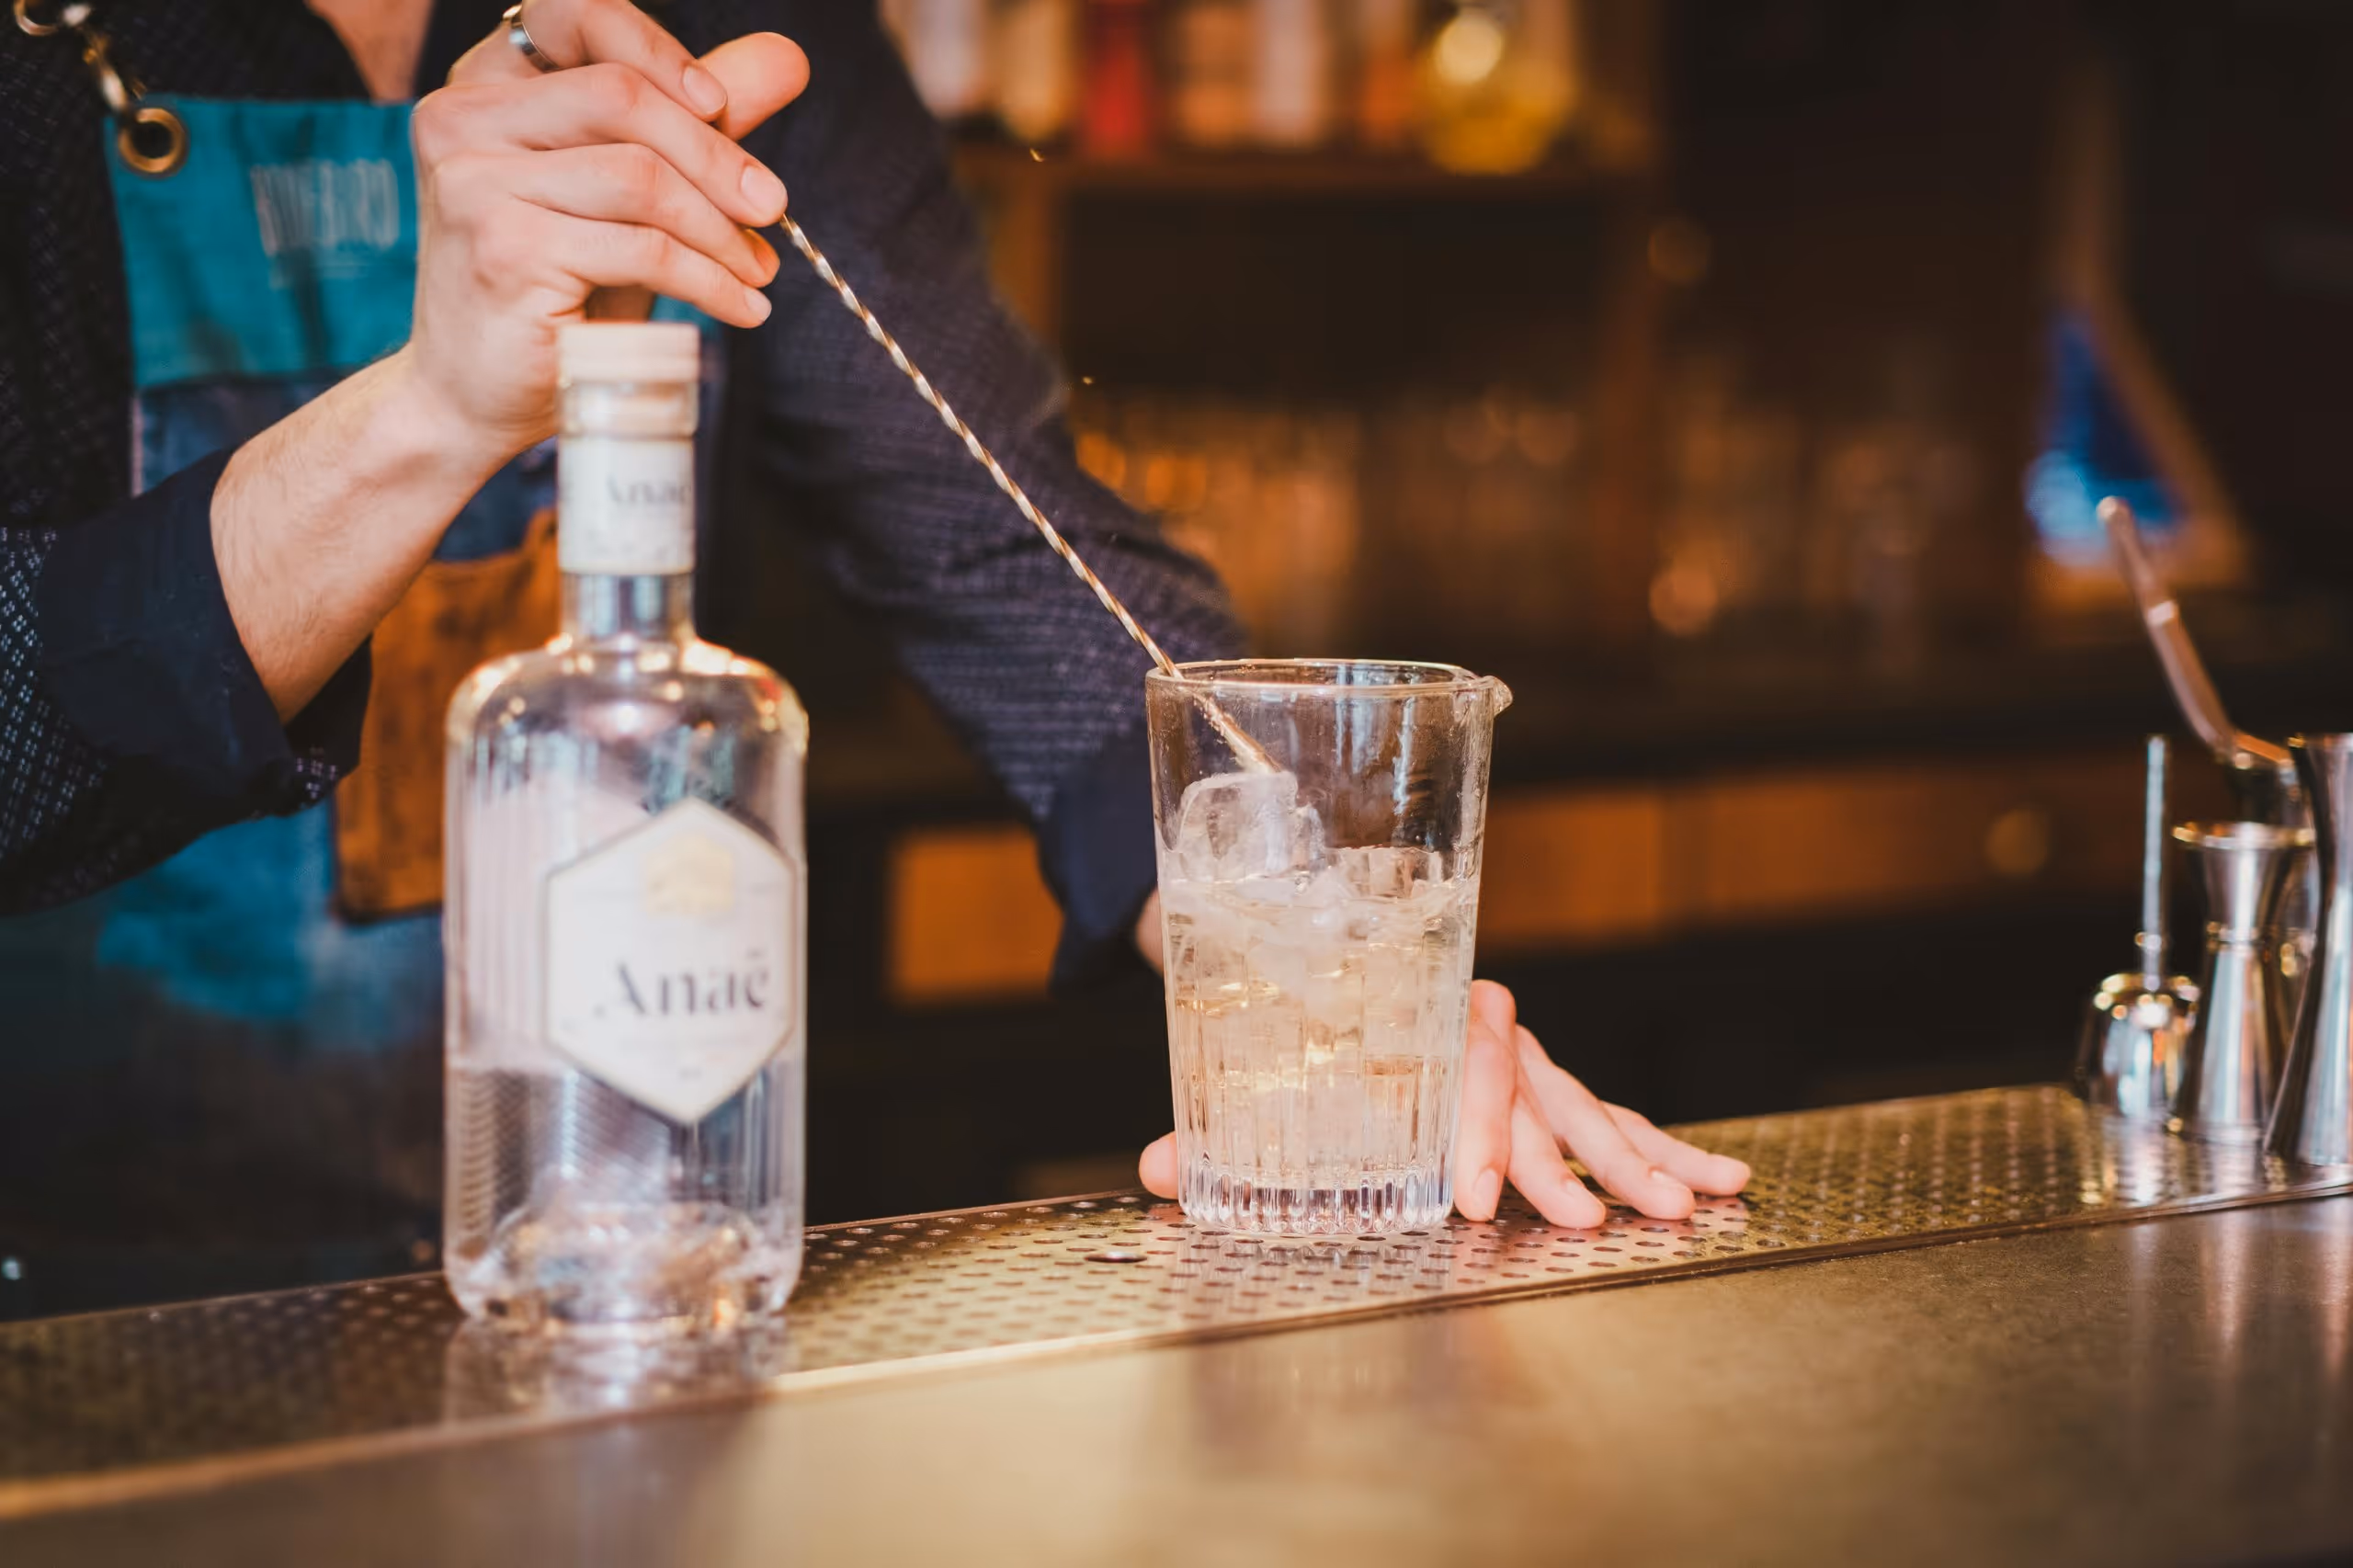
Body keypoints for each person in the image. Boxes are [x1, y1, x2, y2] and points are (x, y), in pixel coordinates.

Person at [0, 0, 1743, 1300]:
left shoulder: (712, 27)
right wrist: (437, 409)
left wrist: (1316, 955)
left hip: (624, 1263)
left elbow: (1001, 536)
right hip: (77, 1316)